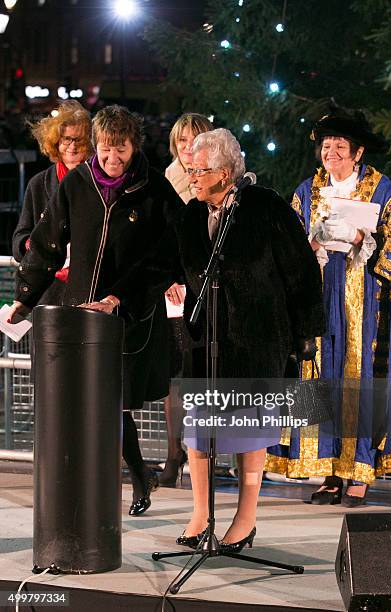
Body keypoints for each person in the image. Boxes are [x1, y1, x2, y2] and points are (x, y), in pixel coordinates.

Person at [114, 128, 324, 548]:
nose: (191, 177)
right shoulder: (192, 214)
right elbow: (162, 265)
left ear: (226, 173)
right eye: (190, 169)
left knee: (248, 436)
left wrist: (306, 336)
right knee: (198, 436)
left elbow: (301, 273)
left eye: (199, 170)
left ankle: (245, 520)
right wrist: (119, 296)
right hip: (203, 342)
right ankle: (200, 515)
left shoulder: (266, 207)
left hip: (257, 342)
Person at [9, 105, 183, 516]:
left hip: (127, 314)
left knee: (114, 402)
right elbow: (47, 241)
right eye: (106, 149)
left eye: (120, 149)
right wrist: (26, 296)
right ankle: (112, 481)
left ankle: (137, 476)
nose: (112, 158)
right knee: (83, 402)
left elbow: (167, 255)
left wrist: (119, 297)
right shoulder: (78, 184)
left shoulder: (154, 189)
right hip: (78, 312)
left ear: (132, 146)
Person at [266, 108, 391, 507]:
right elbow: (288, 245)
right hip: (319, 298)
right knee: (317, 377)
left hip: (363, 306)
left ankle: (358, 470)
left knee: (357, 378)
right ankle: (327, 470)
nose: (331, 153)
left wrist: (364, 236)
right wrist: (310, 245)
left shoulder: (382, 191)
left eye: (340, 146)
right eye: (326, 146)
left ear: (358, 152)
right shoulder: (305, 192)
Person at [160, 112, 213, 487]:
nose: (188, 148)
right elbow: (155, 240)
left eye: (195, 140)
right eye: (182, 141)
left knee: (207, 374)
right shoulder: (165, 183)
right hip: (175, 292)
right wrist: (168, 278)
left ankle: (206, 454)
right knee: (175, 378)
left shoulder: (223, 177)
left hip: (208, 288)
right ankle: (174, 454)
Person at [12, 100, 92, 303]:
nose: (72, 146)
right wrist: (33, 246)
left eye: (79, 140)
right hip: (48, 291)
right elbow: (19, 238)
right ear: (56, 141)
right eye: (66, 139)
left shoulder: (100, 183)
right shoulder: (38, 184)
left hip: (90, 290)